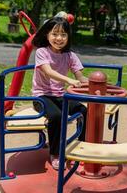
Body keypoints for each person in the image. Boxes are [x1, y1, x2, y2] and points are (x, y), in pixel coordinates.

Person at [32, 16, 88, 170]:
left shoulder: (69, 55)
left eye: (63, 34)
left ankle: (82, 145)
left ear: (68, 36)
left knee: (83, 110)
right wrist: (69, 80)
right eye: (55, 34)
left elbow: (80, 75)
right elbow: (48, 71)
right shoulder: (42, 52)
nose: (59, 38)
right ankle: (55, 153)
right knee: (57, 116)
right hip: (41, 97)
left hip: (60, 96)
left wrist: (87, 81)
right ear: (47, 35)